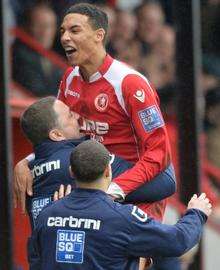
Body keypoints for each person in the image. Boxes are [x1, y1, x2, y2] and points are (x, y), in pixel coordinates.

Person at [14, 3, 174, 223]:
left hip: (134, 192)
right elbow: (58, 134)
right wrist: (28, 161)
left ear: (99, 35)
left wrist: (115, 188)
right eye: (62, 31)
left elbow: (159, 153)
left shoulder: (129, 84)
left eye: (74, 30)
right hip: (93, 186)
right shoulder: (70, 78)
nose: (64, 38)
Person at [28, 140, 212, 270]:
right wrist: (196, 213)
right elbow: (178, 241)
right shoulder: (123, 218)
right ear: (108, 171)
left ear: (71, 172)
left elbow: (36, 260)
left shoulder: (47, 215)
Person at [20, 96, 175, 230]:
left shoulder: (28, 173)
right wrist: (158, 148)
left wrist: (25, 160)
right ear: (56, 134)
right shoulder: (80, 158)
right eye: (69, 116)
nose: (76, 116)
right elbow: (164, 184)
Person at [12, 2, 63, 97]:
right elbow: (37, 92)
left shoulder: (55, 59)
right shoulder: (20, 56)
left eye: (49, 26)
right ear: (27, 27)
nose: (45, 32)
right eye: (40, 26)